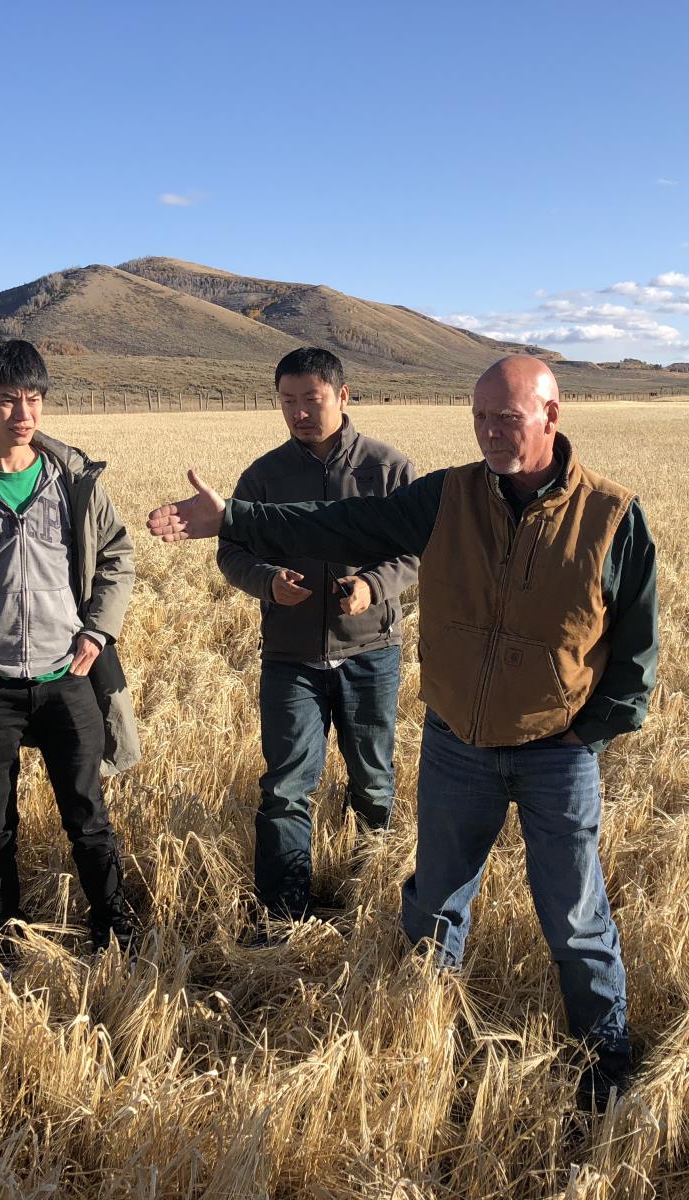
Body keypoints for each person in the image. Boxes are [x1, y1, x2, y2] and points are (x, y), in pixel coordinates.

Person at [149, 355, 658, 1110]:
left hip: (557, 754)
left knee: (575, 916)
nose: (490, 432)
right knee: (434, 905)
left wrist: (587, 736)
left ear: (553, 414)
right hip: (458, 745)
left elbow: (636, 653)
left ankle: (604, 1052)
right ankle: (423, 1031)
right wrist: (235, 519)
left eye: (507, 418)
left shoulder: (612, 516)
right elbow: (338, 522)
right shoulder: (446, 496)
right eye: (480, 417)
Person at [0, 338, 141, 954]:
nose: (23, 414)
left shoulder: (73, 480)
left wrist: (98, 632)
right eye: (6, 400)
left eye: (33, 398)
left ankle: (114, 930)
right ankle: (0, 941)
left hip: (66, 676)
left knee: (88, 816)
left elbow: (117, 556)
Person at [217, 347, 417, 923]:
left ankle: (372, 898)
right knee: (285, 789)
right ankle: (284, 914)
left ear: (343, 396)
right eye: (287, 401)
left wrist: (374, 586)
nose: (300, 412)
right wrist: (267, 583)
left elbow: (419, 549)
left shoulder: (386, 470)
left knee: (374, 784)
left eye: (312, 399)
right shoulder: (263, 476)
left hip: (371, 653)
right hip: (290, 658)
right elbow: (232, 551)